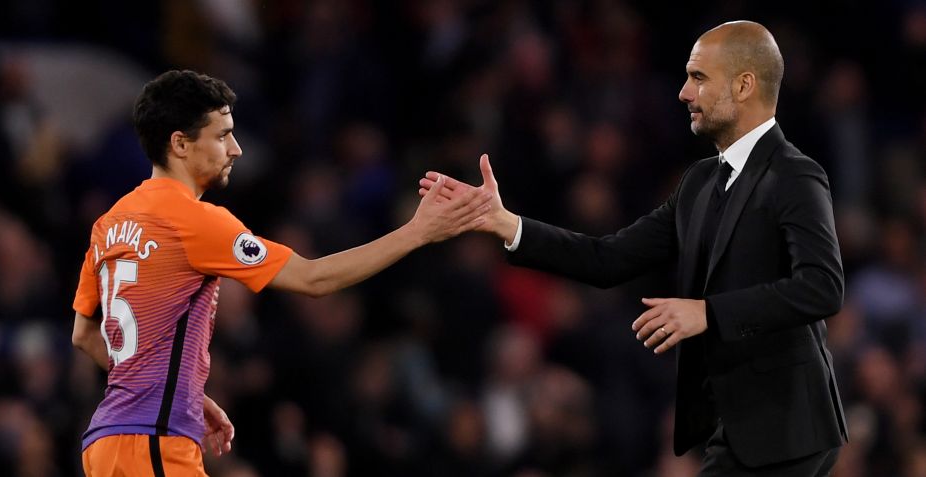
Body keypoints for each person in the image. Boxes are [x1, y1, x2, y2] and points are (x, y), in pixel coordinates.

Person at [421, 21, 847, 476]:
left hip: (790, 426)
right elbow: (608, 259)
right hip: (741, 427)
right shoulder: (699, 182)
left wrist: (709, 312)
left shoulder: (794, 175)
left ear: (744, 85)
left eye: (699, 78)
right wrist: (506, 223)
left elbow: (822, 287)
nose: (684, 92)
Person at [71, 69, 491, 476]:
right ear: (180, 143)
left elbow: (84, 335)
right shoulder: (194, 222)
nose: (236, 149)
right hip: (154, 442)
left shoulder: (109, 224)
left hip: (106, 441)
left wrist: (186, 395)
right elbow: (314, 278)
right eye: (222, 135)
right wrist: (418, 232)